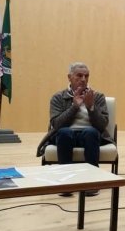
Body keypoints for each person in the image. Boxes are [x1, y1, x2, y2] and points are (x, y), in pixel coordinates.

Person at [37, 62, 114, 197]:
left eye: (86, 76)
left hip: (91, 135)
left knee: (90, 132)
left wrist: (91, 108)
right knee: (64, 132)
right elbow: (56, 124)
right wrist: (74, 107)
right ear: (69, 77)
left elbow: (102, 125)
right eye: (79, 75)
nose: (83, 79)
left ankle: (91, 182)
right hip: (65, 134)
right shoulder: (58, 97)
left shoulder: (97, 97)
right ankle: (67, 183)